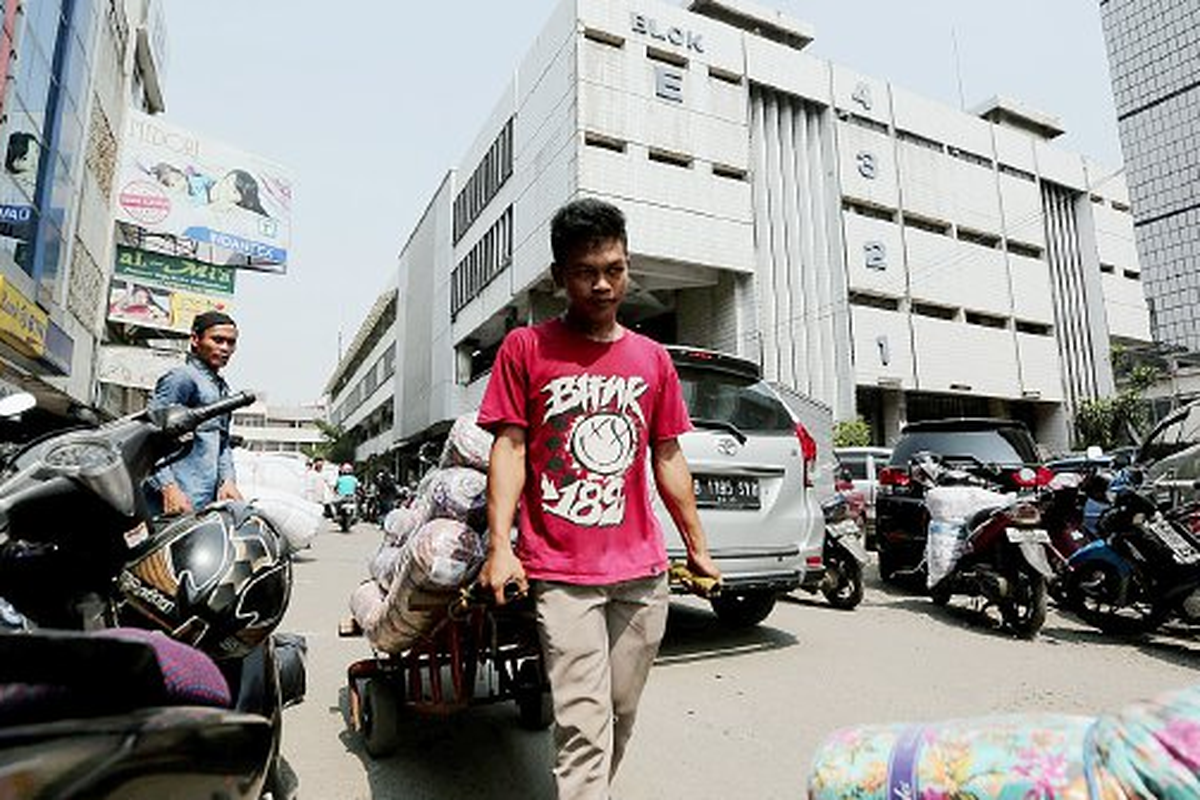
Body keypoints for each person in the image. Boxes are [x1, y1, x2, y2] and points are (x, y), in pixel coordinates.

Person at [477, 197, 720, 800]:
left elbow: (667, 456)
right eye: (587, 272)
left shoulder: (651, 358)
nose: (604, 284)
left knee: (620, 712)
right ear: (560, 276)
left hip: (642, 571)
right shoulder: (526, 349)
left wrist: (698, 547)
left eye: (614, 268)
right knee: (584, 724)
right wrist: (500, 547)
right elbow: (509, 448)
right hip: (561, 570)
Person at [144, 310, 243, 515]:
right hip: (171, 502)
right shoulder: (182, 378)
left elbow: (222, 441)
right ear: (196, 340)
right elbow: (150, 436)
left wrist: (228, 481)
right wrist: (167, 486)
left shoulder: (221, 388)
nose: (225, 348)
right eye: (218, 340)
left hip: (204, 502)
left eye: (231, 342)